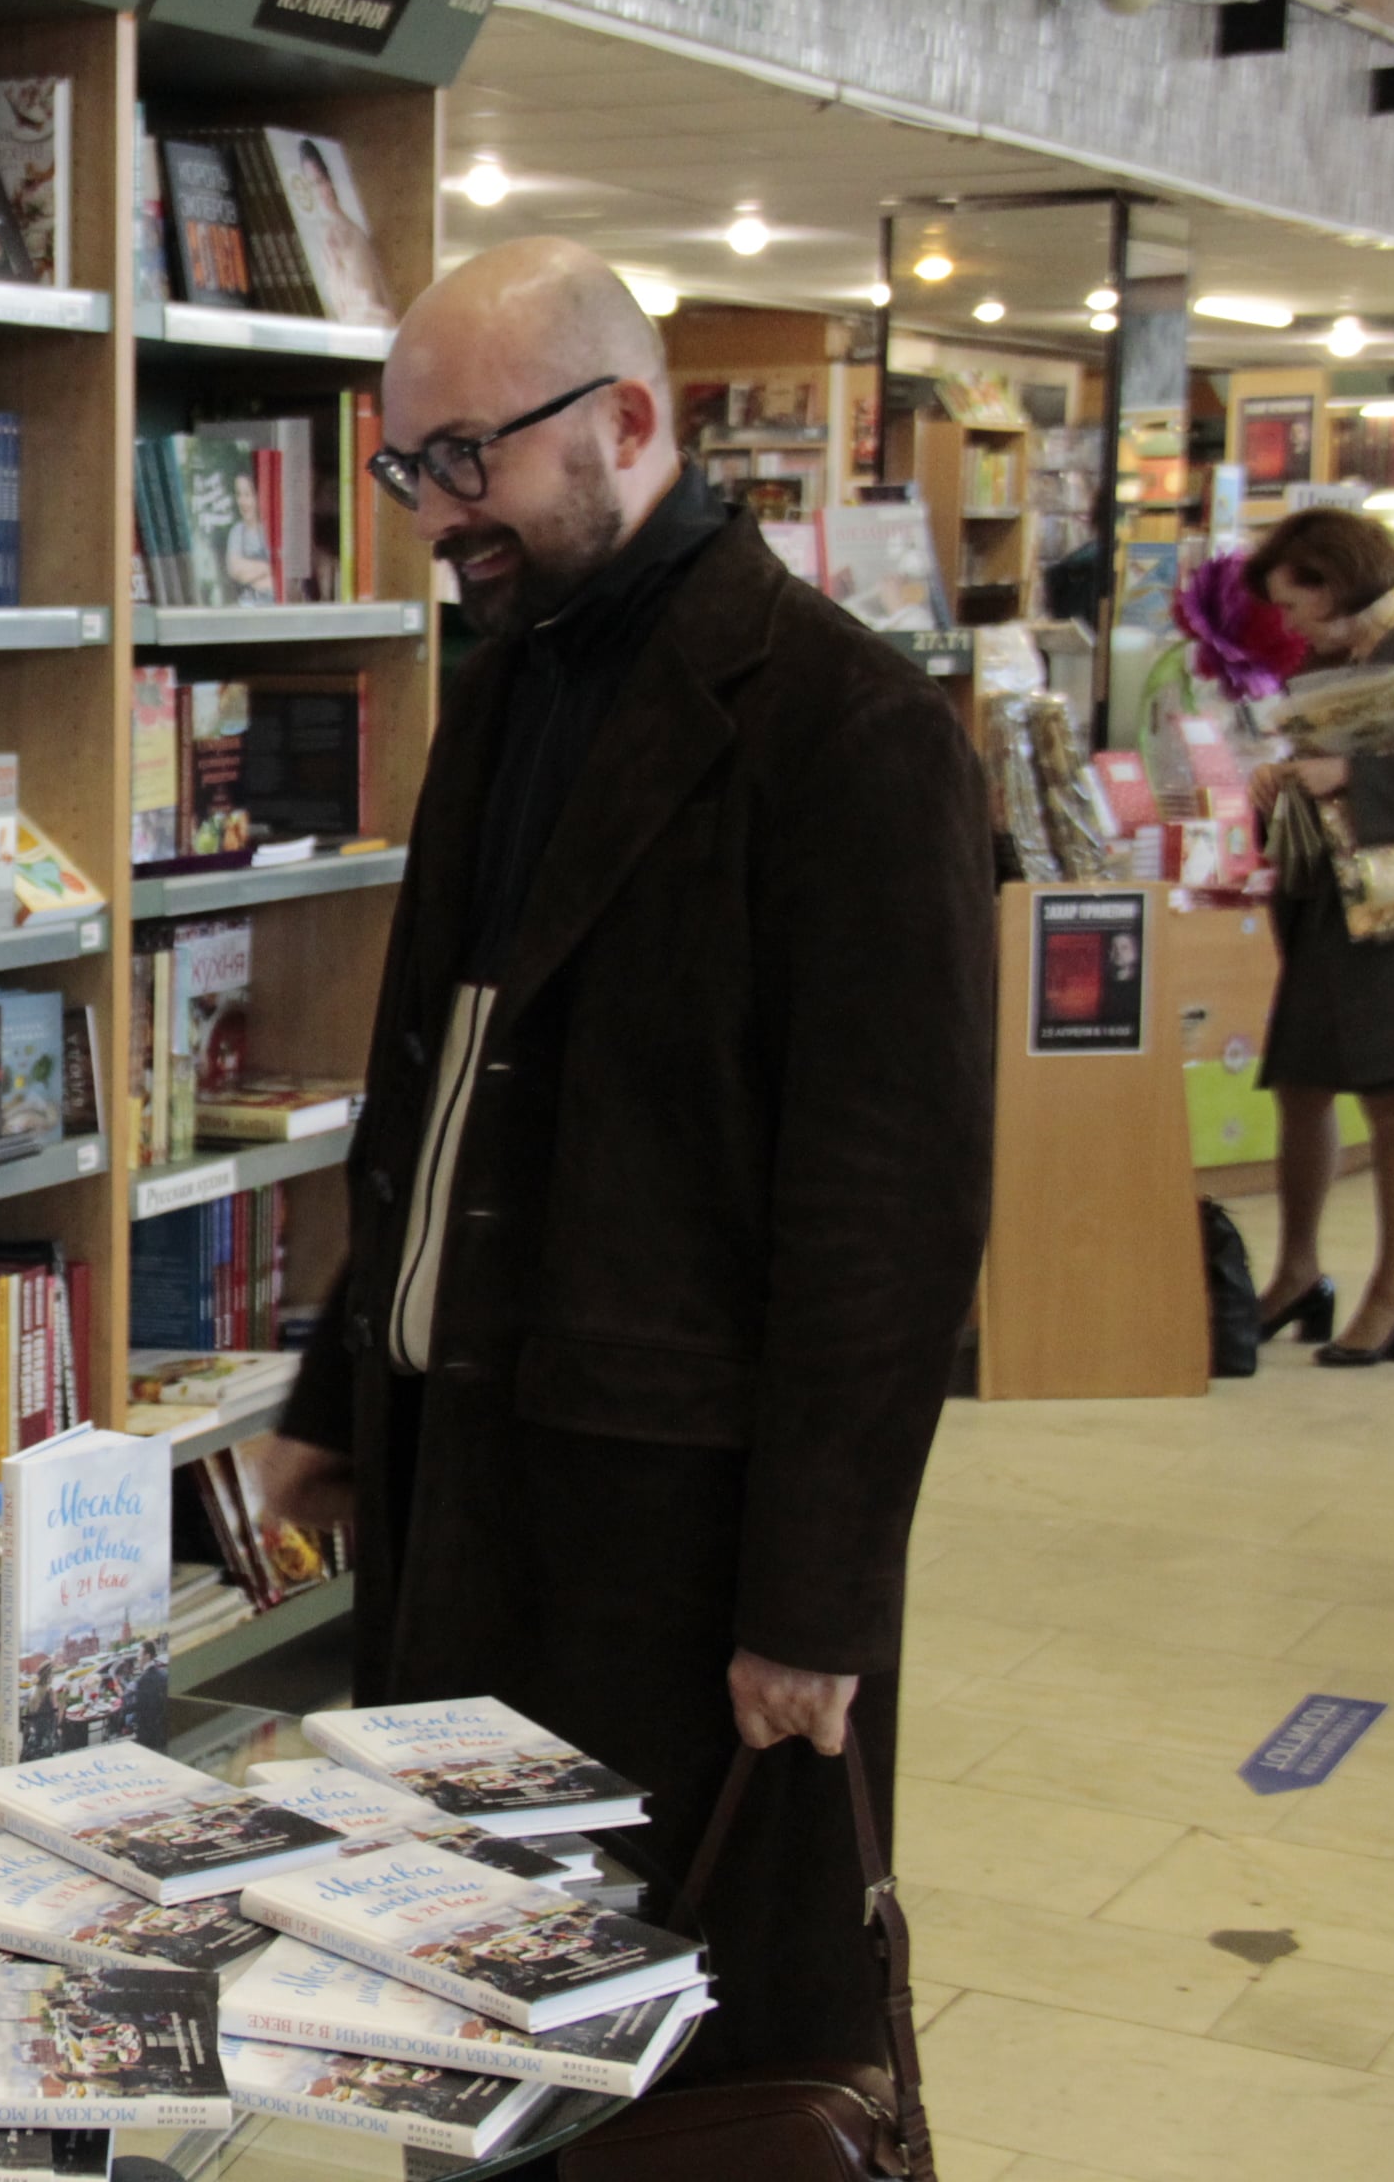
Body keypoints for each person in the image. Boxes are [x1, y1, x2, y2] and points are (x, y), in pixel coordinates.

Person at [244, 238, 995, 2086]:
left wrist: (815, 1600)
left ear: (630, 419)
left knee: (674, 2032)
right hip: (458, 1478)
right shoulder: (505, 684)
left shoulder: (849, 728)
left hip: (674, 1528)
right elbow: (433, 1085)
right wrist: (347, 1383)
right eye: (409, 467)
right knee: (451, 2001)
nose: (438, 513)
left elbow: (891, 1212)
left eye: (467, 458)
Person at [1243, 506, 1394, 1365]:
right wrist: (1285, 782)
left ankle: (1390, 1293)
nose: (1289, 623)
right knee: (1301, 1084)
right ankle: (1298, 1270)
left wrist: (1351, 775)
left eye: (1295, 603)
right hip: (1332, 905)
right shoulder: (1328, 664)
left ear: (1336, 581)